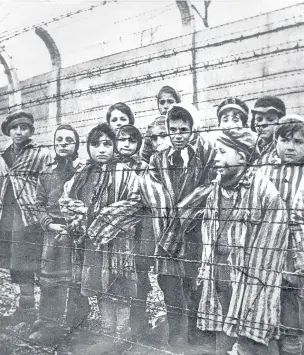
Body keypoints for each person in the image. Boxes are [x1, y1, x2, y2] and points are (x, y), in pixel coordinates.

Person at [196, 129, 288, 355]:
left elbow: (272, 244)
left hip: (250, 279)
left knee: (252, 336)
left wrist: (255, 283)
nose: (215, 158)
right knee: (223, 331)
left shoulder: (264, 191)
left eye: (222, 152)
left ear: (243, 158)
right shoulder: (216, 190)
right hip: (219, 273)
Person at [60, 123, 141, 350]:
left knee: (121, 288)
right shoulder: (83, 175)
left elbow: (135, 204)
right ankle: (107, 333)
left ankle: (121, 334)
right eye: (95, 145)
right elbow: (68, 200)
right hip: (92, 244)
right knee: (101, 288)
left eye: (107, 144)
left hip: (118, 242)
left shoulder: (126, 173)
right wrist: (78, 215)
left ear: (115, 146)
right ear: (88, 147)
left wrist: (103, 218)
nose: (101, 150)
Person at [140, 103, 214, 348]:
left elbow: (208, 189)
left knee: (192, 286)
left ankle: (194, 335)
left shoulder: (202, 157)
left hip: (193, 236)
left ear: (193, 129)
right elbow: (151, 189)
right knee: (170, 287)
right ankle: (177, 340)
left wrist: (183, 212)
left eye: (184, 129)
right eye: (173, 129)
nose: (178, 135)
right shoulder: (158, 158)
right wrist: (171, 215)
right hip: (166, 236)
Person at [27, 124, 86, 344]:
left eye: (68, 140)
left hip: (75, 232)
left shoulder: (83, 171)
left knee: (74, 281)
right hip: (52, 233)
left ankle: (73, 324)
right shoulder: (46, 172)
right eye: (59, 140)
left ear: (76, 144)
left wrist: (73, 224)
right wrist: (49, 224)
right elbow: (39, 204)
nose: (63, 144)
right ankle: (47, 321)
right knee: (49, 280)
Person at [0, 111, 52, 326]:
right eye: (15, 128)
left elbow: (49, 182)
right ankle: (25, 308)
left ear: (31, 131)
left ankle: (44, 313)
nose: (19, 132)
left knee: (30, 260)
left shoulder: (41, 154)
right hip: (8, 213)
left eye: (24, 128)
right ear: (8, 131)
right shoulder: (4, 155)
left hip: (29, 215)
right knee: (16, 262)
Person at [258, 115, 304, 355]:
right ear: (275, 140)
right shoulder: (264, 170)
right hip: (268, 247)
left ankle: (292, 346)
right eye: (284, 140)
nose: (290, 147)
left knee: (291, 303)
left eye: (298, 141)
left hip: (296, 251)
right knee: (267, 301)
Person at [141, 85, 181, 163]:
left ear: (178, 103)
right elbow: (145, 158)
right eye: (162, 102)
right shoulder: (152, 128)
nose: (165, 106)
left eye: (170, 102)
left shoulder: (185, 125)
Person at [251, 95, 286, 166]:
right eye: (259, 119)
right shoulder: (251, 148)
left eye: (270, 119)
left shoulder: (284, 149)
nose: (263, 123)